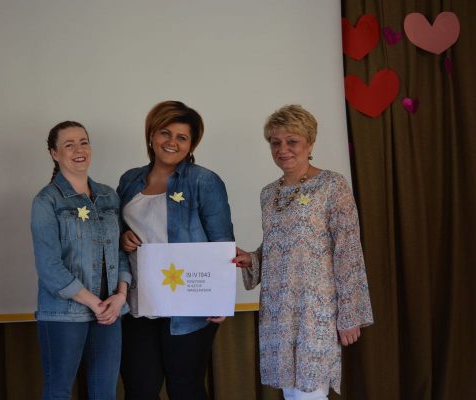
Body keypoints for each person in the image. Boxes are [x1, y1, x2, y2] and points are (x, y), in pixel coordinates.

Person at [233, 105, 373, 400]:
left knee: (311, 392)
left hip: (316, 306)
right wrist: (253, 259)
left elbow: (348, 250)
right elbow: (278, 244)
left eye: (292, 141)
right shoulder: (268, 193)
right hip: (278, 306)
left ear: (310, 143)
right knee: (291, 393)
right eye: (275, 142)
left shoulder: (332, 185)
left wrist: (349, 313)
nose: (282, 149)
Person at [117, 100, 235, 400]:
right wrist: (122, 237)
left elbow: (222, 241)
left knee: (185, 388)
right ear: (151, 135)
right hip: (138, 302)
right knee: (139, 389)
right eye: (165, 133)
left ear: (191, 144)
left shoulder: (204, 181)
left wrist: (220, 298)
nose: (172, 142)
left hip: (190, 303)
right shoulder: (129, 180)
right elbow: (116, 231)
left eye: (182, 137)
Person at [30, 121, 131, 400]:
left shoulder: (109, 196)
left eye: (83, 142)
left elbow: (120, 252)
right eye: (69, 144)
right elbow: (49, 266)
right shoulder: (46, 201)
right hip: (65, 313)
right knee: (59, 391)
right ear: (54, 153)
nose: (79, 149)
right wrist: (94, 303)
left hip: (110, 311)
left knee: (105, 392)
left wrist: (120, 296)